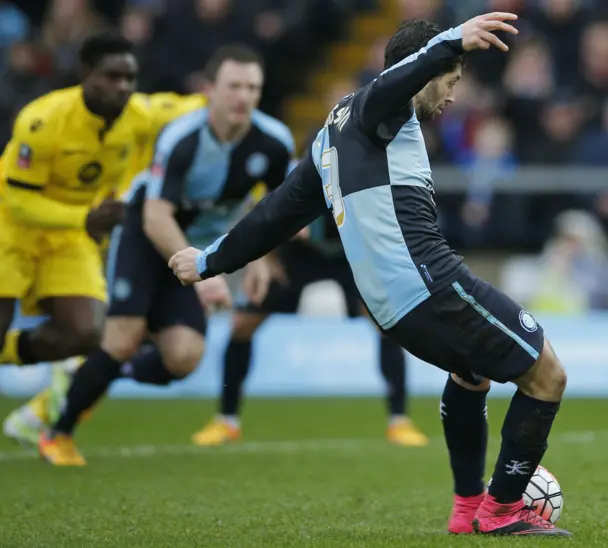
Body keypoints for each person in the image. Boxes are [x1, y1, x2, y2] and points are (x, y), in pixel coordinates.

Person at [169, 14, 572, 537]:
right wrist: (451, 40)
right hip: (429, 285)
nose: (452, 97)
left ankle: (468, 504)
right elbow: (394, 84)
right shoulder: (377, 110)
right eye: (451, 81)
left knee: (471, 376)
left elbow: (276, 215)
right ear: (423, 70)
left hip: (393, 306)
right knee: (548, 376)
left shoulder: (331, 137)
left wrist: (208, 261)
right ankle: (502, 510)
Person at [37, 45, 295, 466]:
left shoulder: (273, 142)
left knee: (184, 358)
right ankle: (57, 434)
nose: (243, 97)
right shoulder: (181, 138)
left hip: (197, 252)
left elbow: (276, 209)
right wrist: (206, 271)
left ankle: (96, 372)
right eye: (234, 86)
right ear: (209, 90)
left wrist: (262, 259)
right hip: (147, 233)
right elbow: (157, 217)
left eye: (253, 87)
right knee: (122, 336)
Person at [1, 90, 208, 447]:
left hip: (144, 231)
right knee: (114, 335)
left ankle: (58, 396)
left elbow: (208, 104)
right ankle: (51, 424)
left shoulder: (154, 112)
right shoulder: (70, 122)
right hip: (122, 229)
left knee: (157, 351)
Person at [0, 32, 151, 407]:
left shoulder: (140, 116)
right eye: (112, 77)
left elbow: (185, 107)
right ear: (86, 73)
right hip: (8, 222)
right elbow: (20, 202)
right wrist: (86, 218)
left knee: (85, 332)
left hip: (68, 231)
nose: (122, 88)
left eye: (129, 79)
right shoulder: (42, 120)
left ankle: (0, 351)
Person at [192, 208, 429, 447]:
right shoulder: (288, 171)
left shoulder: (362, 173)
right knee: (243, 324)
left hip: (352, 252)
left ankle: (399, 421)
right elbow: (264, 203)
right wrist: (262, 257)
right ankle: (226, 420)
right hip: (297, 254)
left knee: (386, 322)